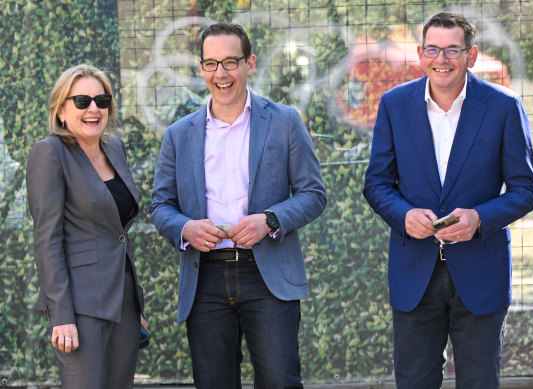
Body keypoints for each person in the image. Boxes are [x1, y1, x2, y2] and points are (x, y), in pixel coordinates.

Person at [363, 12, 533, 388]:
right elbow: (377, 184)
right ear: (420, 53)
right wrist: (404, 214)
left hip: (481, 273)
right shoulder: (394, 104)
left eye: (452, 50)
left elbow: (527, 189)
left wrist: (479, 217)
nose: (441, 59)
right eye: (432, 49)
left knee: (479, 381)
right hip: (414, 273)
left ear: (471, 55)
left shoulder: (503, 106)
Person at [148, 22, 326, 389]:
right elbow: (160, 205)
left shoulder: (285, 122)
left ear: (250, 63)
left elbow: (313, 194)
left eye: (230, 62)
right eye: (211, 64)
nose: (221, 74)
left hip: (267, 274)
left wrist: (270, 220)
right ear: (201, 69)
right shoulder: (179, 134)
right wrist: (185, 228)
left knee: (280, 382)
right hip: (205, 278)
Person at [26, 64, 147, 389]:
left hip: (122, 301)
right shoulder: (49, 153)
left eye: (101, 99)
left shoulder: (115, 148)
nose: (94, 109)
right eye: (82, 101)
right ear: (61, 111)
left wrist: (135, 303)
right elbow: (47, 241)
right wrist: (60, 315)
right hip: (80, 305)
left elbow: (117, 231)